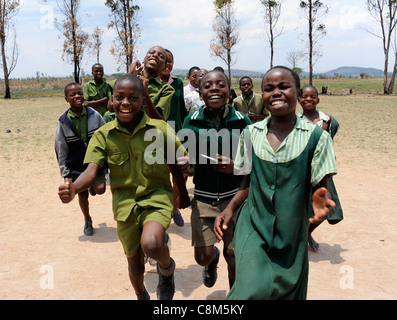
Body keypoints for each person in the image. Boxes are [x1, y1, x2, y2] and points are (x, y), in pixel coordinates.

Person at [58, 74, 190, 300]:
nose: (126, 103)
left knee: (151, 243)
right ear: (112, 99)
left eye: (133, 98)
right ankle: (141, 295)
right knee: (135, 266)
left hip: (156, 198)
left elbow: (182, 159)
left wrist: (184, 163)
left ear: (142, 99)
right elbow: (91, 172)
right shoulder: (103, 135)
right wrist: (74, 189)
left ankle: (167, 268)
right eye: (120, 97)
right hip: (125, 206)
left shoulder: (159, 129)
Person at [214, 66, 337, 300]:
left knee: (286, 292)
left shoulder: (317, 138)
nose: (276, 93)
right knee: (250, 290)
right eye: (269, 89)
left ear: (299, 94)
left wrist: (319, 200)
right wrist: (230, 208)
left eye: (284, 87)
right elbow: (247, 182)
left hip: (291, 233)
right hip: (253, 226)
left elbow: (322, 188)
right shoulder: (251, 133)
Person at [181, 70, 251, 290]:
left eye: (220, 85)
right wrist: (186, 163)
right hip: (203, 198)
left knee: (234, 255)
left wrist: (235, 167)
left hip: (235, 199)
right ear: (200, 93)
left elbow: (252, 165)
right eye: (207, 86)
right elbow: (187, 156)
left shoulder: (242, 122)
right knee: (202, 257)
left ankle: (234, 297)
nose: (214, 89)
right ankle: (211, 261)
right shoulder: (191, 121)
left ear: (229, 92)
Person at [55, 82, 106, 236]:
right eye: (73, 94)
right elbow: (61, 148)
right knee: (82, 195)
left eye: (80, 93)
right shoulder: (63, 121)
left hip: (95, 162)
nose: (77, 96)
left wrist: (108, 160)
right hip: (76, 164)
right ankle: (87, 219)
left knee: (101, 189)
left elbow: (106, 134)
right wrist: (65, 174)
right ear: (66, 99)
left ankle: (91, 184)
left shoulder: (94, 114)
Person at [298, 84, 343, 251]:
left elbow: (330, 137)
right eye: (304, 96)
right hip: (302, 170)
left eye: (312, 96)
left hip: (322, 171)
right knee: (302, 206)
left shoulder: (328, 120)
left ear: (318, 99)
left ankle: (306, 234)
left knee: (324, 206)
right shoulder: (295, 120)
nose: (308, 99)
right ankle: (303, 236)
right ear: (298, 100)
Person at [159, 48, 189, 227]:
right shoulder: (149, 83)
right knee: (158, 173)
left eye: (171, 61)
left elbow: (182, 108)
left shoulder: (177, 83)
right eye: (165, 60)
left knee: (178, 174)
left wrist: (186, 131)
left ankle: (174, 208)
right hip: (154, 135)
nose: (168, 64)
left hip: (176, 133)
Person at [128, 46, 175, 121]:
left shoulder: (166, 89)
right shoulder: (129, 79)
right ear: (144, 60)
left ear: (164, 67)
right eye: (151, 53)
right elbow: (111, 107)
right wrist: (128, 78)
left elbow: (159, 120)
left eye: (161, 56)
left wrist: (145, 94)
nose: (155, 55)